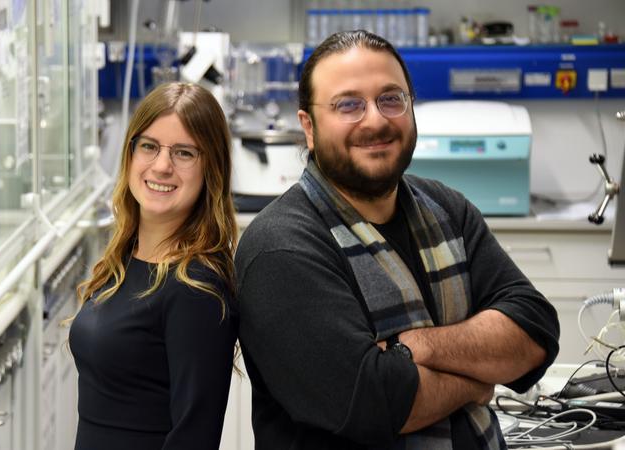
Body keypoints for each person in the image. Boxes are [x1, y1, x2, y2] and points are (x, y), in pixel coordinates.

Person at [235, 30, 560, 449]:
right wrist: (476, 380)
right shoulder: (281, 246)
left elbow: (535, 331)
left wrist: (417, 347)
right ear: (309, 127)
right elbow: (378, 402)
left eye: (391, 99)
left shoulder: (447, 209)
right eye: (348, 104)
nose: (375, 119)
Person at [69, 82, 238, 450]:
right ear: (130, 153)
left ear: (211, 168)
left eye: (184, 153)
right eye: (149, 146)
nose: (162, 166)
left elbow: (194, 438)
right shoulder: (124, 258)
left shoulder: (196, 289)